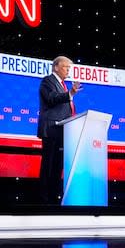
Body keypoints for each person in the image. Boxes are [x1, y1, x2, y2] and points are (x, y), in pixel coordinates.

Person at [37, 56, 83, 204]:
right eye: (65, 67)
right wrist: (70, 94)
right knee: (49, 164)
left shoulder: (63, 84)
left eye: (69, 68)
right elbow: (51, 98)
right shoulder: (47, 81)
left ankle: (53, 198)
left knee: (58, 166)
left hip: (63, 130)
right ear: (56, 67)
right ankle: (43, 199)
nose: (68, 70)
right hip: (51, 129)